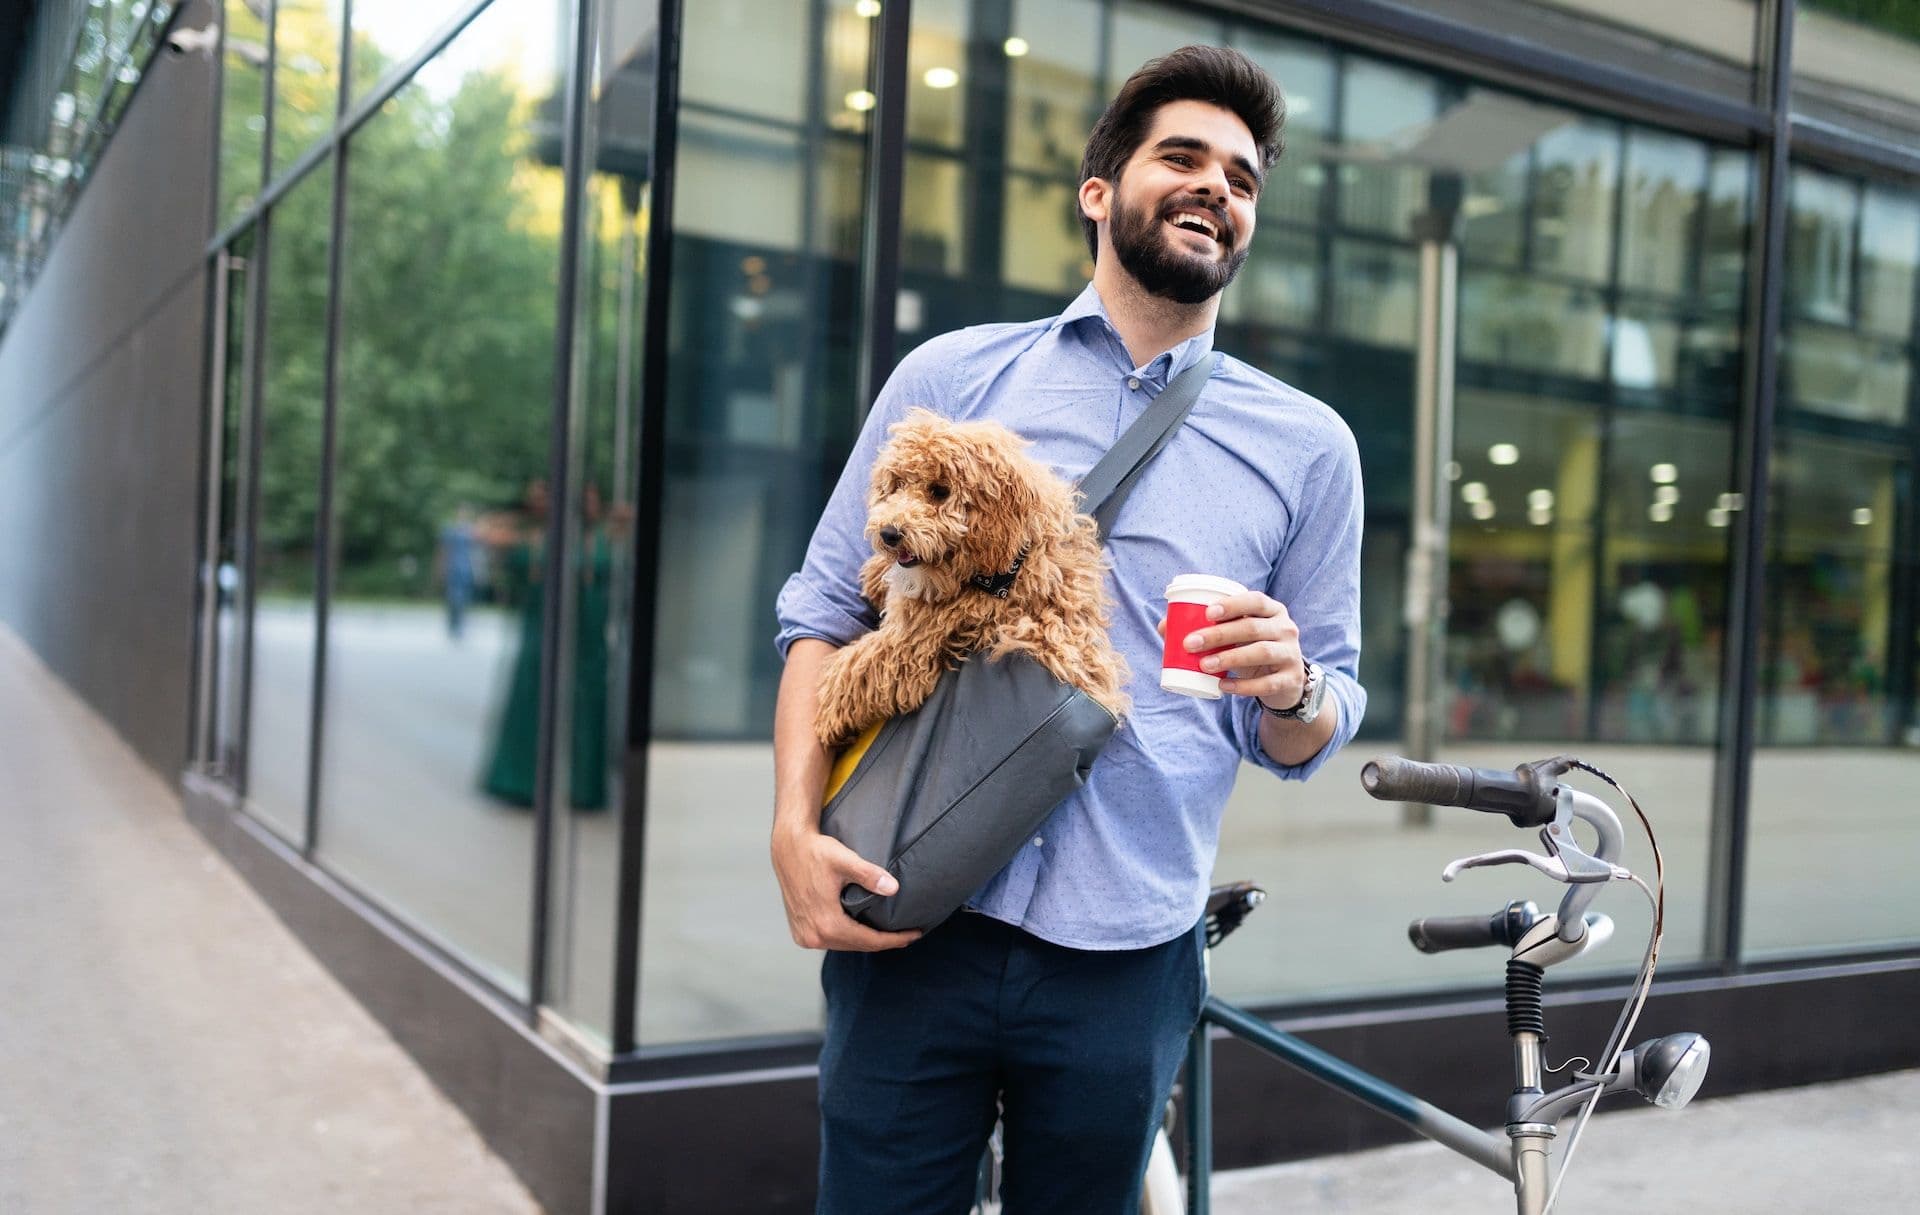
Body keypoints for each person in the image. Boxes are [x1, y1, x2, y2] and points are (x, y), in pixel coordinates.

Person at [771, 45, 1367, 1214]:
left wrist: (1294, 691)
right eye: (1182, 158)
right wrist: (792, 828)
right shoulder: (954, 376)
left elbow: (1320, 716)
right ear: (1100, 191)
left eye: (1242, 179)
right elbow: (822, 610)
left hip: (1129, 955)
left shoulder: (1309, 446)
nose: (1217, 189)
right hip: (913, 911)